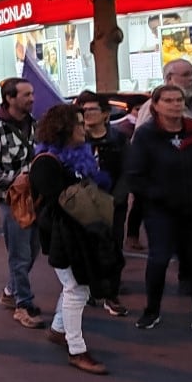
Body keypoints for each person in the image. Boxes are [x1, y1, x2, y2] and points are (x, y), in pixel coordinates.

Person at [127, 84, 192, 337]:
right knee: (158, 261)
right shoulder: (146, 136)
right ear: (156, 105)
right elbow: (135, 177)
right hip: (161, 212)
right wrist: (159, 196)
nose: (175, 105)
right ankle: (151, 310)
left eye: (179, 100)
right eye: (168, 100)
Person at [30, 104, 116, 375]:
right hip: (61, 235)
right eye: (79, 124)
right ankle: (77, 350)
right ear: (63, 129)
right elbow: (56, 203)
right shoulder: (46, 161)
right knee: (76, 288)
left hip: (81, 232)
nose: (85, 128)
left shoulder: (83, 154)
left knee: (76, 286)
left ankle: (58, 329)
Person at [0, 77, 44, 329]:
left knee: (33, 249)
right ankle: (23, 304)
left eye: (32, 94)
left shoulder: (33, 123)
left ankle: (10, 291)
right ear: (10, 98)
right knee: (19, 253)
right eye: (26, 95)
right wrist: (16, 180)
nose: (32, 98)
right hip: (11, 199)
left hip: (36, 197)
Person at [74, 91, 130, 316]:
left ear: (105, 114)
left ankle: (111, 294)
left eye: (92, 110)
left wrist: (117, 197)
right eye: (83, 110)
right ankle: (89, 289)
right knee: (85, 247)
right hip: (84, 204)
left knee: (113, 247)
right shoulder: (76, 140)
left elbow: (128, 171)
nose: (87, 114)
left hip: (113, 202)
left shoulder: (118, 139)